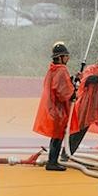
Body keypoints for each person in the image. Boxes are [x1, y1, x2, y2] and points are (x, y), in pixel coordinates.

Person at [32, 42, 75, 171]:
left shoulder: (52, 69)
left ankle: (53, 161)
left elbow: (57, 85)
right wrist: (73, 93)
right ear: (61, 57)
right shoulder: (62, 70)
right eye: (66, 56)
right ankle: (52, 162)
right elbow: (62, 91)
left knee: (56, 135)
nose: (68, 58)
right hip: (58, 109)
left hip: (52, 107)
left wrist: (70, 81)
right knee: (57, 136)